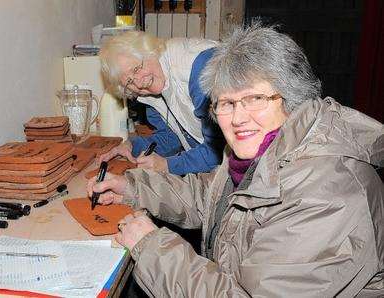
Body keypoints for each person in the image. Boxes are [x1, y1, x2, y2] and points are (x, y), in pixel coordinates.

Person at [88, 22, 384, 297]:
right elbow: (211, 197)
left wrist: (152, 247)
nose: (238, 118)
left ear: (292, 95)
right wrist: (133, 188)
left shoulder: (327, 193)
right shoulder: (263, 151)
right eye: (226, 103)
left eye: (256, 98)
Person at [98, 31, 225, 175]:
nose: (140, 82)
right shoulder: (152, 90)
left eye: (136, 68)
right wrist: (131, 146)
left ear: (149, 52)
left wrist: (167, 165)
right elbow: (172, 137)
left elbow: (217, 150)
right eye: (129, 82)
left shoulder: (199, 69)